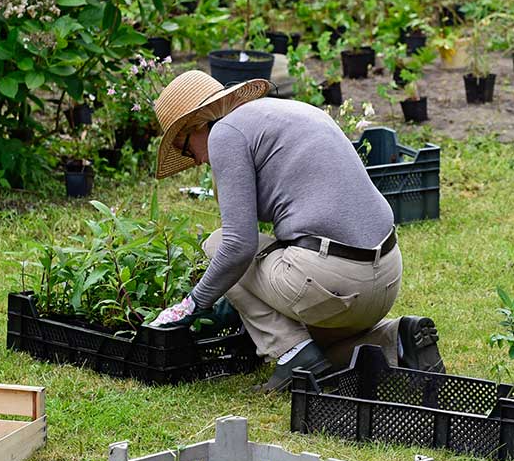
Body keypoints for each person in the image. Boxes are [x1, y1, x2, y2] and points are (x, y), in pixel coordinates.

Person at [146, 70, 444, 391]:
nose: (196, 161)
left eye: (187, 150)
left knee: (218, 245)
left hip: (334, 280)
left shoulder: (225, 134)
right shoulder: (286, 112)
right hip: (384, 278)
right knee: (316, 344)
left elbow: (238, 246)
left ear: (197, 125)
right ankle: (397, 340)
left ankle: (293, 353)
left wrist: (193, 304)